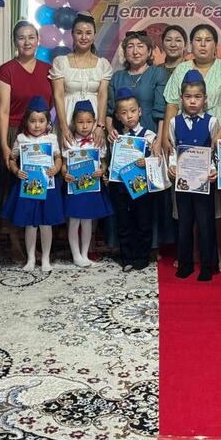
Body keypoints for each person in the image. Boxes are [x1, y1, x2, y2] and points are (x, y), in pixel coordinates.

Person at [163, 24, 221, 271]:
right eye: (198, 39)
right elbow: (172, 104)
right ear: (191, 44)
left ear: (215, 45)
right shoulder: (182, 69)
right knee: (186, 201)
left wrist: (218, 137)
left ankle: (215, 254)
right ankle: (191, 253)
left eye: (208, 39)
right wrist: (166, 137)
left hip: (213, 137)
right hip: (184, 141)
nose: (203, 44)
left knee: (214, 203)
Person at [168, 69, 219, 281]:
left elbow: (215, 151)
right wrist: (172, 166)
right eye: (188, 96)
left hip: (204, 182)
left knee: (206, 223)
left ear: (205, 98)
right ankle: (185, 263)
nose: (192, 101)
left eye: (197, 97)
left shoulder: (211, 122)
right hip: (183, 182)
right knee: (184, 223)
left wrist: (214, 169)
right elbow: (173, 149)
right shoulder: (174, 122)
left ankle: (208, 265)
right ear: (181, 98)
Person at [3, 95, 64, 272]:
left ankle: (45, 258)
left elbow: (58, 157)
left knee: (46, 224)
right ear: (26, 121)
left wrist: (56, 168)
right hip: (28, 187)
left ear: (47, 122)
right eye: (33, 121)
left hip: (48, 187)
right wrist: (16, 171)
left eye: (41, 121)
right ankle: (30, 258)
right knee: (30, 224)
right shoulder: (21, 138)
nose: (37, 125)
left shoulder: (51, 139)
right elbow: (12, 159)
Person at [109, 87, 157, 272]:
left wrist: (147, 161)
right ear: (118, 116)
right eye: (123, 112)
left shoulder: (149, 135)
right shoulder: (116, 137)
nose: (129, 116)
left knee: (143, 221)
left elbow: (157, 160)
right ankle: (127, 257)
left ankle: (142, 256)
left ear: (140, 111)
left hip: (141, 187)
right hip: (120, 186)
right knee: (123, 222)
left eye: (133, 111)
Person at [62, 100, 112, 267]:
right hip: (75, 188)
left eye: (89, 122)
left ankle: (85, 254)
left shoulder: (97, 141)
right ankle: (76, 255)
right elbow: (63, 164)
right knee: (74, 221)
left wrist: (102, 171)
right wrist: (65, 174)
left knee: (88, 221)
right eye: (80, 122)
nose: (84, 126)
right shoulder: (69, 141)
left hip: (91, 188)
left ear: (94, 122)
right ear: (73, 122)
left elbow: (103, 163)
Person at [51, 14, 112, 150]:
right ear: (72, 35)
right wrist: (64, 126)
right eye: (79, 33)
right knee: (66, 157)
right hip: (67, 116)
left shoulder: (103, 64)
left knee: (95, 157)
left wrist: (100, 126)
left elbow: (103, 96)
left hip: (94, 119)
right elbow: (58, 95)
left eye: (88, 33)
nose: (84, 37)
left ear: (94, 35)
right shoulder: (61, 62)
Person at [106, 31, 167, 149]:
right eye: (130, 47)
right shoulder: (117, 77)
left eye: (140, 46)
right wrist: (110, 130)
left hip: (151, 136)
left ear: (149, 51)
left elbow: (161, 113)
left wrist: (159, 141)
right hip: (123, 139)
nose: (135, 51)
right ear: (125, 52)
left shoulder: (158, 73)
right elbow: (109, 112)